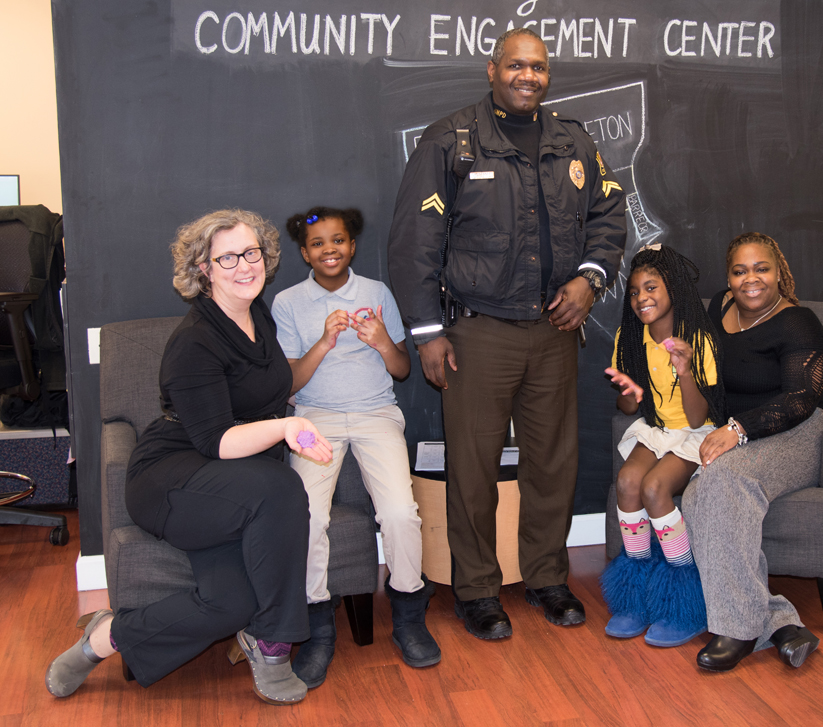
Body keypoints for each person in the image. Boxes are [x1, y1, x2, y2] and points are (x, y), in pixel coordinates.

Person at [388, 27, 627, 640]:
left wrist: (590, 280)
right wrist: (427, 334)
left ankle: (547, 577)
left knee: (553, 463)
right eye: (517, 66)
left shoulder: (573, 139)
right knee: (474, 466)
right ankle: (476, 589)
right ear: (492, 69)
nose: (529, 77)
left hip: (553, 329)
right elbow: (415, 244)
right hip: (477, 334)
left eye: (540, 68)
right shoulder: (452, 141)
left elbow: (607, 211)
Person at [45, 209, 333, 706]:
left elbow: (265, 388)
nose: (245, 266)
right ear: (205, 269)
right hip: (175, 476)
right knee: (283, 487)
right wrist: (288, 428)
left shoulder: (256, 314)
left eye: (251, 252)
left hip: (235, 483)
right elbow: (217, 441)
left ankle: (106, 637)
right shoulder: (194, 341)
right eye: (228, 258)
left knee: (230, 604)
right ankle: (273, 645)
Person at [271, 206, 440, 686]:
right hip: (313, 417)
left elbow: (403, 370)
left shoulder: (376, 292)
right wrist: (324, 343)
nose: (330, 249)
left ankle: (409, 613)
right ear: (305, 253)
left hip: (375, 412)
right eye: (319, 243)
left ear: (351, 245)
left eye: (338, 240)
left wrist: (384, 341)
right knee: (307, 516)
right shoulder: (287, 303)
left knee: (401, 513)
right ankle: (318, 627)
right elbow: (288, 386)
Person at [684, 232, 823, 671]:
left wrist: (737, 430)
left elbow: (801, 398)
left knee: (724, 481)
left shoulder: (799, 323)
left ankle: (738, 631)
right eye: (740, 270)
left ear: (779, 273)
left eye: (761, 268)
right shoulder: (719, 307)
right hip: (740, 434)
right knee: (698, 496)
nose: (751, 279)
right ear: (728, 278)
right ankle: (781, 623)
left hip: (796, 432)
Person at [602, 245, 726, 648]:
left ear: (671, 288)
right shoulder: (630, 337)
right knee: (627, 482)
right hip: (655, 428)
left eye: (651, 287)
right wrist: (627, 387)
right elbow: (628, 404)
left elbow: (694, 418)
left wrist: (685, 370)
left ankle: (682, 601)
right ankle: (636, 594)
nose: (642, 299)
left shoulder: (698, 337)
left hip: (694, 433)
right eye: (635, 292)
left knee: (655, 488)